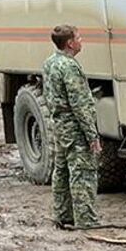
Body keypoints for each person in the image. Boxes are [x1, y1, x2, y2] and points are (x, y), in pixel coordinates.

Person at [41, 24, 102, 229]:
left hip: (59, 125)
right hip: (74, 127)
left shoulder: (50, 62)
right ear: (70, 43)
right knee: (82, 171)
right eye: (79, 37)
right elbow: (80, 104)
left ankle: (62, 214)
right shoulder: (69, 66)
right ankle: (86, 220)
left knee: (62, 170)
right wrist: (92, 136)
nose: (81, 40)